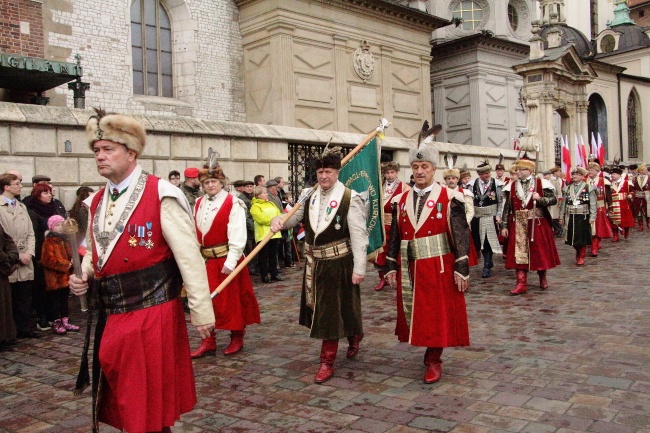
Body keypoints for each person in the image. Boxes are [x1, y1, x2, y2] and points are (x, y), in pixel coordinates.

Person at [68, 109, 215, 433]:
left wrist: (202, 311)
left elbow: (189, 257)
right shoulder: (95, 202)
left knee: (146, 400)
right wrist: (85, 273)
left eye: (108, 149)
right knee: (125, 398)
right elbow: (95, 251)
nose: (100, 156)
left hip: (153, 312)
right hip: (113, 315)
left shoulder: (163, 194)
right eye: (96, 150)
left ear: (131, 152)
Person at [270, 147, 367, 384]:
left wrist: (359, 268)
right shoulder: (308, 194)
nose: (324, 176)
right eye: (320, 172)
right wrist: (278, 221)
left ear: (337, 172)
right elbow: (292, 218)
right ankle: (353, 334)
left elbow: (359, 235)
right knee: (328, 309)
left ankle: (328, 360)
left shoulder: (349, 197)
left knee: (335, 311)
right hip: (314, 263)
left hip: (340, 262)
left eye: (329, 172)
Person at [385, 125, 471, 384]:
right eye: (415, 167)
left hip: (439, 265)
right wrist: (390, 264)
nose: (420, 171)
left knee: (436, 314)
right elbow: (395, 235)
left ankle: (434, 359)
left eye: (425, 167)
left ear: (434, 170)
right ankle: (426, 350)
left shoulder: (450, 197)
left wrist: (462, 266)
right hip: (410, 267)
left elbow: (461, 233)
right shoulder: (400, 199)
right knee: (417, 313)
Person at [190, 165, 260, 358]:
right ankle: (208, 341)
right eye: (206, 182)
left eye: (214, 181)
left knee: (232, 301)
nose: (210, 185)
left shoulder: (233, 203)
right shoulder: (197, 203)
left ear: (221, 183)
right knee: (205, 301)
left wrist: (231, 261)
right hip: (206, 261)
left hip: (227, 259)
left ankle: (237, 336)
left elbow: (238, 233)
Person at [500, 157, 560, 296]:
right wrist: (504, 225)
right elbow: (507, 208)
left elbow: (553, 200)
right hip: (519, 222)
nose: (518, 172)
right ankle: (521, 283)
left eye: (521, 169)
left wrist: (540, 199)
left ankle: (542, 276)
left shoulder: (541, 183)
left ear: (530, 170)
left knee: (538, 252)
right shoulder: (512, 185)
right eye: (517, 169)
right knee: (519, 254)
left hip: (537, 222)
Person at [0, 173, 38, 339]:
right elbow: (4, 237)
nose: (20, 186)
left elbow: (31, 233)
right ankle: (10, 331)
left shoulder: (21, 207)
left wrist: (29, 252)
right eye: (17, 183)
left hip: (25, 258)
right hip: (8, 259)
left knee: (24, 297)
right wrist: (16, 254)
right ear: (7, 187)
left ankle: (25, 328)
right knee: (8, 298)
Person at [25, 183, 66, 332]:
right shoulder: (31, 210)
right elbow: (33, 233)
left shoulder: (55, 207)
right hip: (41, 254)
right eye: (46, 193)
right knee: (41, 288)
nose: (50, 195)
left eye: (50, 192)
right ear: (37, 194)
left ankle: (54, 316)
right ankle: (42, 317)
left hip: (57, 251)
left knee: (56, 289)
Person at [40, 215, 80, 334]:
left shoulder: (65, 240)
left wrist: (73, 260)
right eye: (57, 225)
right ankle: (56, 321)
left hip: (65, 277)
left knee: (64, 300)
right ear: (52, 227)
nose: (60, 227)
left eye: (62, 224)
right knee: (54, 301)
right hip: (55, 278)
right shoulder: (49, 241)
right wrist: (65, 264)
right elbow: (47, 260)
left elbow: (70, 253)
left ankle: (65, 320)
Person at [373, 161, 410, 291]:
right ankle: (382, 278)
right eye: (387, 173)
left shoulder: (405, 188)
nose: (389, 175)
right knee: (379, 254)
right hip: (381, 226)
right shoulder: (378, 186)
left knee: (395, 252)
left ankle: (397, 278)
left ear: (396, 173)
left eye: (392, 172)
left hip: (395, 224)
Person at [469, 160, 503, 278]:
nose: (486, 175)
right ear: (479, 174)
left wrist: (499, 215)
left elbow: (500, 201)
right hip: (477, 216)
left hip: (490, 216)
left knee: (488, 241)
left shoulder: (497, 184)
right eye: (483, 174)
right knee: (479, 241)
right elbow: (468, 202)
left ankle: (487, 265)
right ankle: (488, 260)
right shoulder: (471, 185)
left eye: (488, 173)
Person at [558, 167, 597, 265]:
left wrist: (592, 217)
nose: (574, 176)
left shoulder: (589, 188)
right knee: (572, 238)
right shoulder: (567, 188)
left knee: (582, 237)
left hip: (583, 216)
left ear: (582, 176)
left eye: (577, 174)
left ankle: (582, 255)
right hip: (571, 215)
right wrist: (561, 216)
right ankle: (578, 251)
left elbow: (593, 204)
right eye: (573, 174)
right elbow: (563, 204)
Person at [250, 187, 283, 283]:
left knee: (273, 255)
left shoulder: (271, 203)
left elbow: (279, 214)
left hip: (275, 233)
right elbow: (261, 219)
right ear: (258, 195)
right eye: (264, 193)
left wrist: (278, 220)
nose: (266, 194)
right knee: (263, 256)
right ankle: (264, 275)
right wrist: (273, 221)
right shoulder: (255, 206)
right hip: (263, 235)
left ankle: (274, 273)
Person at [586, 162, 613, 256]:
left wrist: (610, 208)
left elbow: (608, 196)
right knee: (589, 227)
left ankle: (595, 246)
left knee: (598, 227)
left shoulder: (604, 181)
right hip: (587, 207)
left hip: (599, 207)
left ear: (597, 171)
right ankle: (591, 244)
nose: (590, 171)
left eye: (592, 170)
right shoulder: (585, 181)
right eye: (589, 170)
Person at [0, 222, 19, 349]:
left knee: (4, 305)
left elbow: (8, 241)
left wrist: (12, 255)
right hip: (2, 265)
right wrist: (5, 259)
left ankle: (4, 336)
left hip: (2, 273)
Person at [609, 166, 635, 241]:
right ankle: (615, 235)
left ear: (619, 175)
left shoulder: (626, 183)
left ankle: (626, 229)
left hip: (623, 202)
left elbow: (632, 191)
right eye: (612, 174)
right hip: (613, 203)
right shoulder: (610, 184)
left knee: (625, 219)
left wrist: (630, 195)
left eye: (614, 174)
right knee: (613, 219)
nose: (612, 176)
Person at [547, 166, 565, 237]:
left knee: (555, 217)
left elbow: (559, 192)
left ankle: (559, 229)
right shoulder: (551, 180)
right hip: (550, 200)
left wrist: (560, 200)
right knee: (552, 217)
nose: (560, 173)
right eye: (558, 171)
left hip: (555, 200)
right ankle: (556, 230)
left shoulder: (558, 180)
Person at [632, 164, 650, 231]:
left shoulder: (649, 177)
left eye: (646, 169)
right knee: (638, 210)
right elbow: (633, 187)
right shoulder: (635, 178)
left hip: (647, 196)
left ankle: (648, 222)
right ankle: (641, 224)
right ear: (640, 170)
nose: (646, 170)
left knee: (647, 210)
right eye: (644, 169)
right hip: (638, 196)